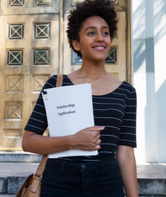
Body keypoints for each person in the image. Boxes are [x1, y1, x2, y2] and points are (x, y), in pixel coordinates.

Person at [22, 0, 138, 196]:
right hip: (60, 179)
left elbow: (125, 152)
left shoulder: (126, 92)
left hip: (107, 180)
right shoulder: (57, 84)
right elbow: (28, 141)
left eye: (105, 32)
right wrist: (72, 141)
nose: (100, 38)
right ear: (76, 43)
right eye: (91, 33)